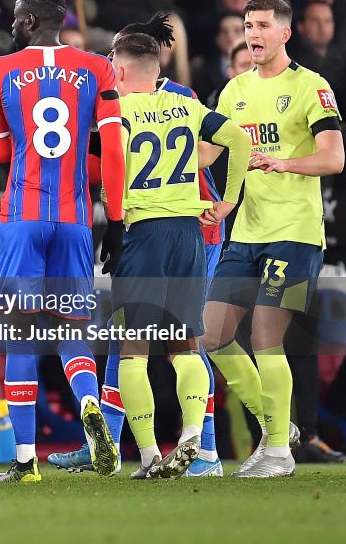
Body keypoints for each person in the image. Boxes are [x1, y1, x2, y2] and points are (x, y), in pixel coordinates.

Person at [0, 0, 124, 483]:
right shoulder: (97, 67)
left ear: (27, 22)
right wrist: (117, 218)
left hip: (22, 214)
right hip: (75, 217)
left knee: (22, 338)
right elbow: (112, 150)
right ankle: (89, 406)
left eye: (15, 17)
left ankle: (25, 462)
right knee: (70, 333)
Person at [201, 0, 344, 478]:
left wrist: (283, 162)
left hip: (295, 233)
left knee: (266, 338)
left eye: (262, 25)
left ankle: (279, 452)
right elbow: (206, 154)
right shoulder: (233, 90)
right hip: (245, 230)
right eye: (247, 25)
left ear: (285, 33)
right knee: (213, 333)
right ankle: (277, 426)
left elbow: (334, 158)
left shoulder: (312, 87)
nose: (253, 33)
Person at [103, 32, 250, 479]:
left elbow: (109, 165)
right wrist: (227, 200)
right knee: (185, 346)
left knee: (133, 350)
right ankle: (192, 437)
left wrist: (113, 209)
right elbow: (238, 141)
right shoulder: (188, 107)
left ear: (121, 72)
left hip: (143, 234)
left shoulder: (118, 110)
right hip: (189, 233)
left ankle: (148, 455)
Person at [292, 1, 346, 118]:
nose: (322, 26)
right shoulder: (291, 64)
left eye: (328, 20)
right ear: (301, 27)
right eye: (314, 20)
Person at [190, 13, 244, 106]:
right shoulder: (202, 69)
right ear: (217, 38)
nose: (230, 36)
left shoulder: (261, 66)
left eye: (237, 30)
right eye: (224, 31)